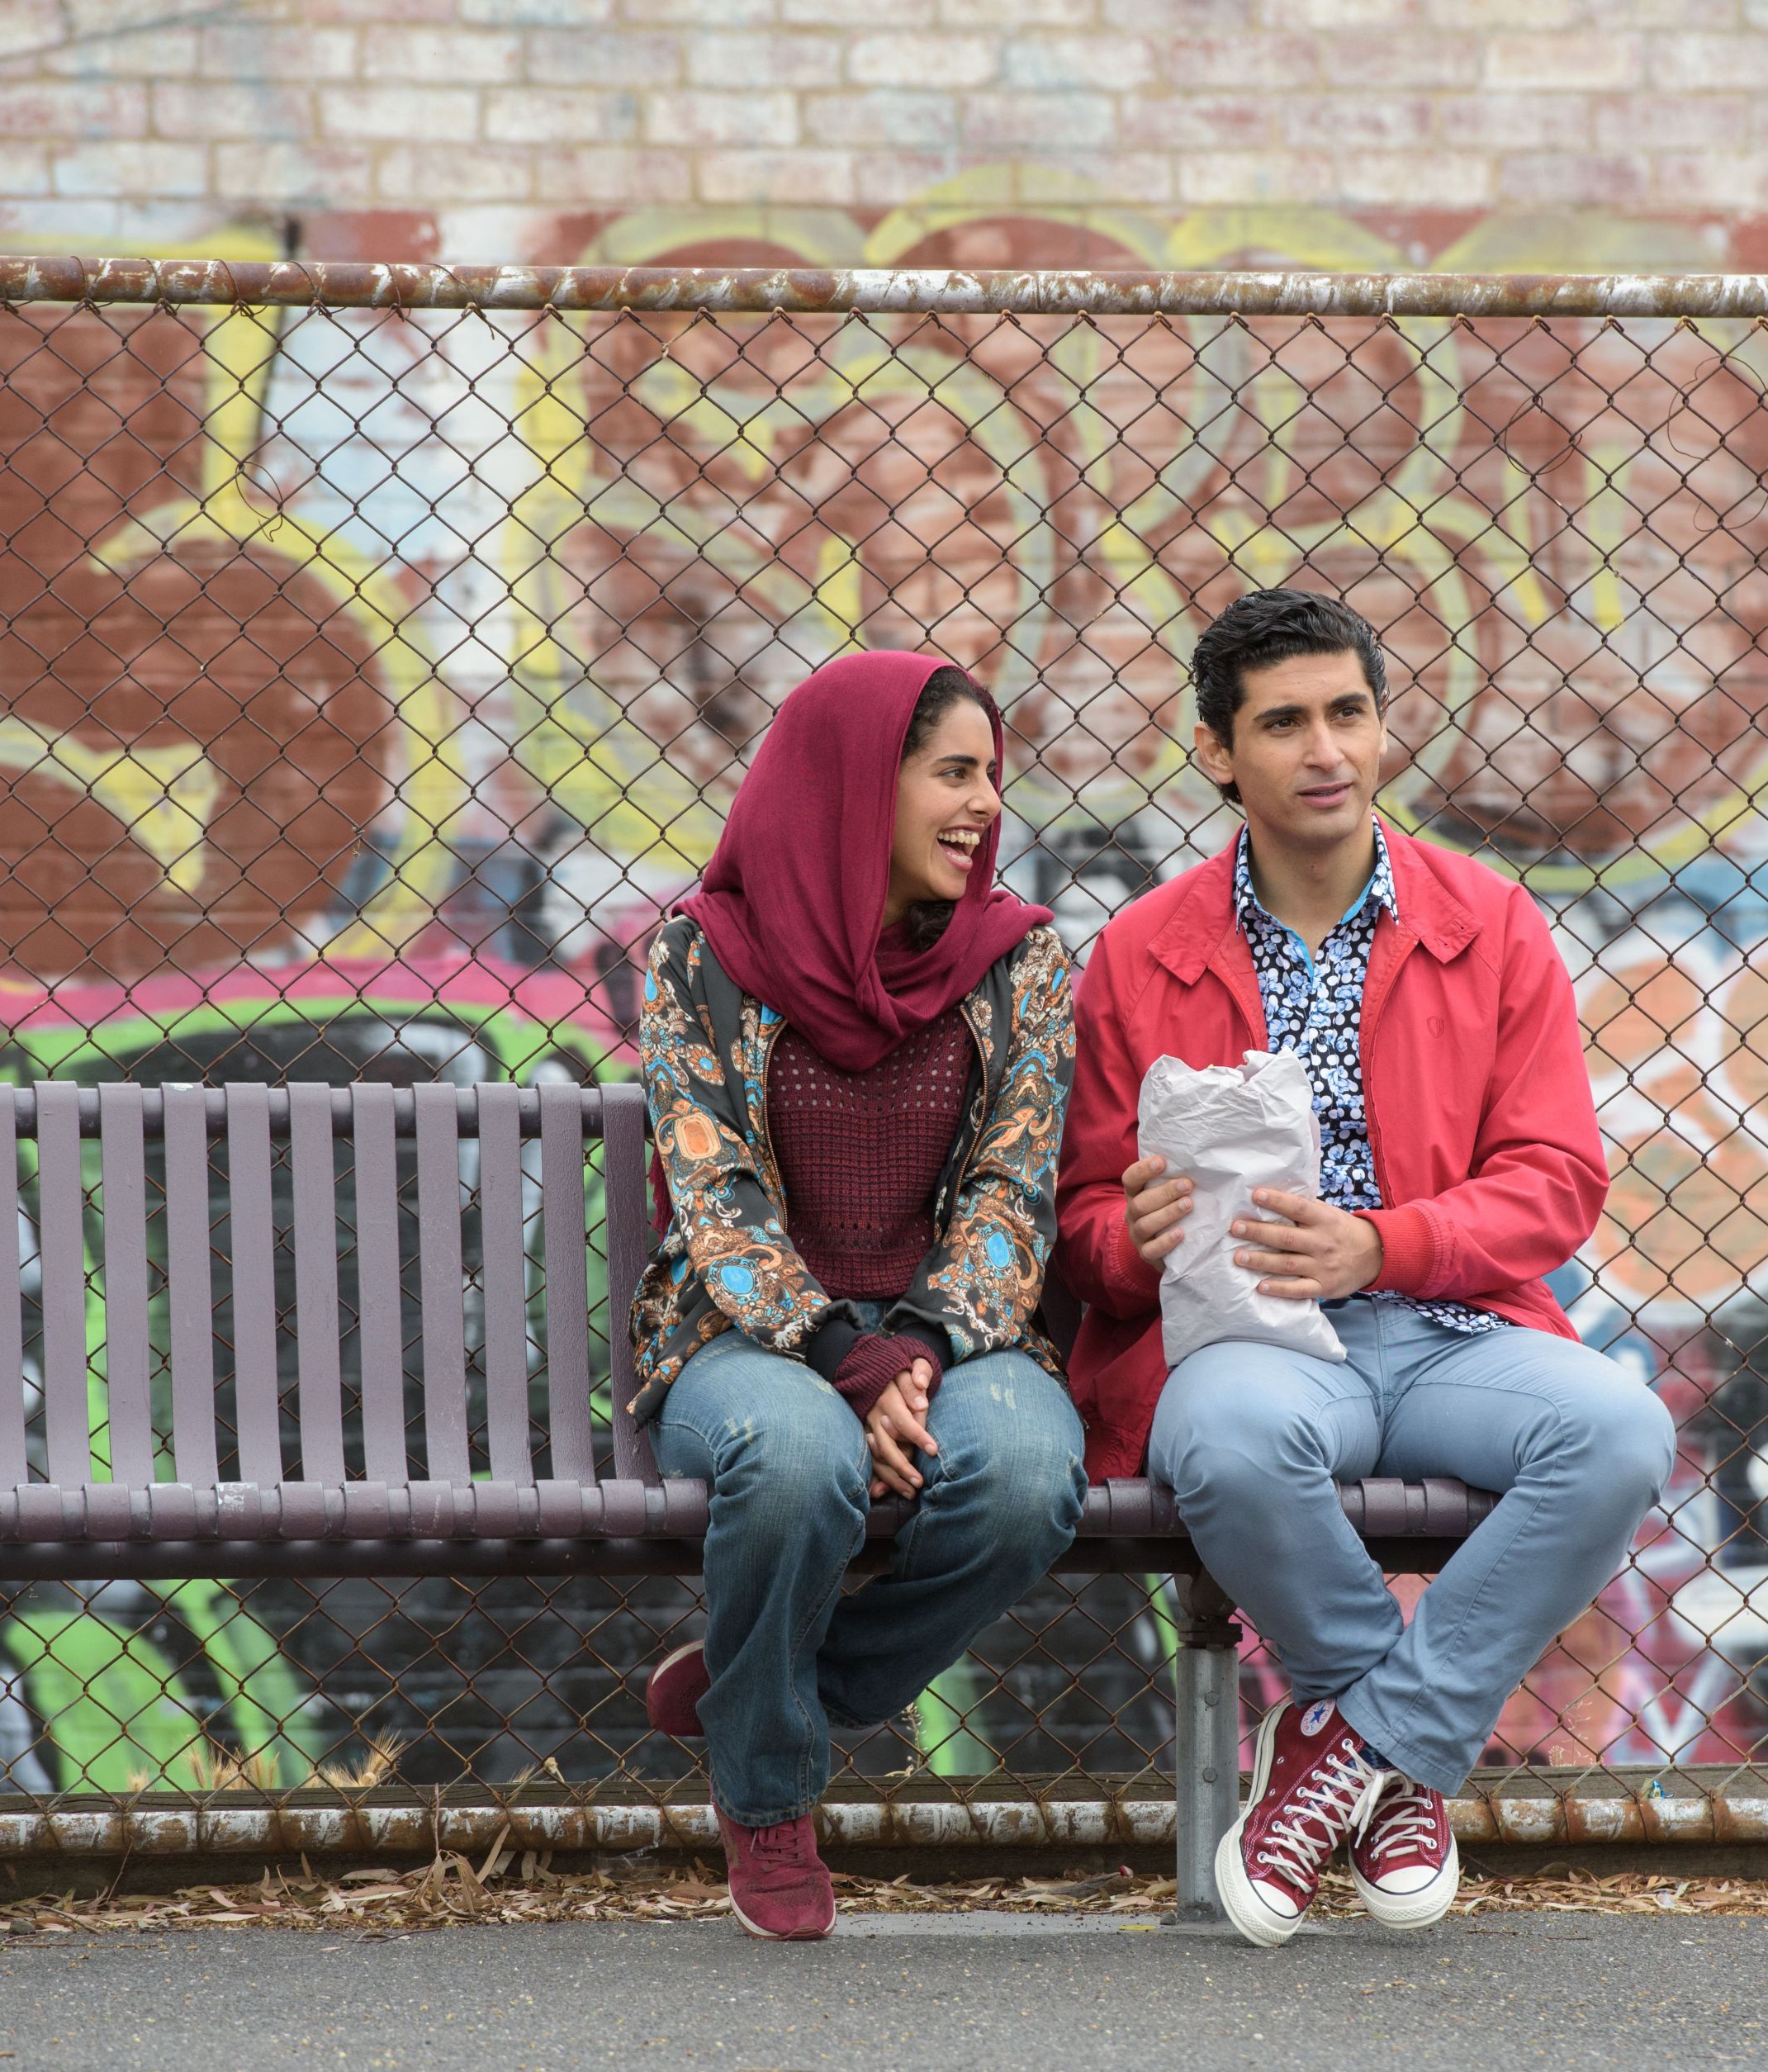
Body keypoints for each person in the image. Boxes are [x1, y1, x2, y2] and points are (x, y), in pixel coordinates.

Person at [1052, 589, 1677, 1949]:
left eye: (1349, 712)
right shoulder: (1140, 952)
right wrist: (1130, 1236)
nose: (1326, 749)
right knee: (1223, 1443)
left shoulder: (1490, 921)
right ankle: (1395, 1756)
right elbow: (1084, 1220)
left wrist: (1387, 1242)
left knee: (1622, 1432)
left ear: (1386, 727)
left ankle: (1342, 1745)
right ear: (1220, 753)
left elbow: (1558, 1180)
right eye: (1284, 723)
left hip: (1457, 1327)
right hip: (1254, 1340)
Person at [631, 649, 1085, 1942]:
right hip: (746, 1336)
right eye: (952, 773)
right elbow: (714, 1194)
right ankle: (769, 1792)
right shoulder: (700, 956)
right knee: (796, 1459)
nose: (985, 804)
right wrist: (843, 1350)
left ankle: (765, 1690)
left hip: (956, 1331)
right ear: (853, 785)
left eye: (991, 775)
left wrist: (920, 1345)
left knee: (1027, 1474)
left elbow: (1014, 1186)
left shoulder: (1021, 960)